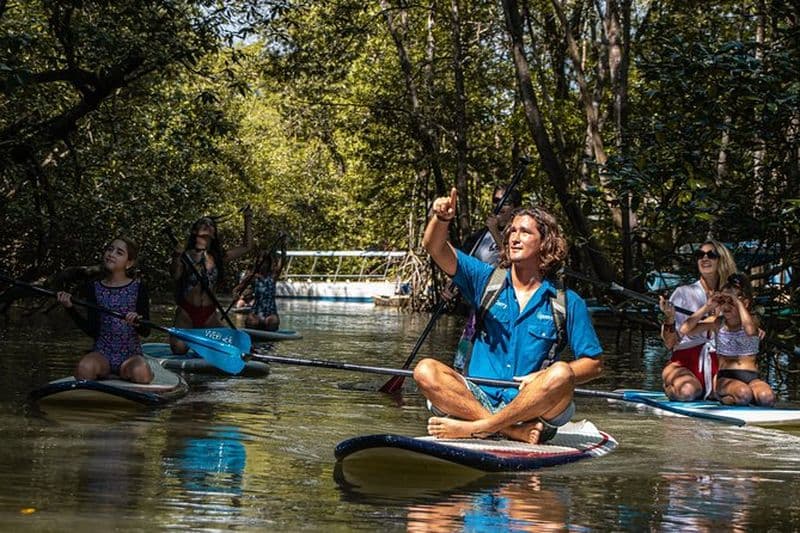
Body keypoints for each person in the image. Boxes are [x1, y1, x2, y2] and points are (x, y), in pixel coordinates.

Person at [414, 188, 603, 444]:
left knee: (561, 373)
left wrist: (543, 376)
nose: (514, 237)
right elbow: (435, 247)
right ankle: (507, 430)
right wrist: (441, 218)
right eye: (512, 231)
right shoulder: (484, 279)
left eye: (525, 232)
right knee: (425, 370)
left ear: (545, 243)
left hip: (533, 408)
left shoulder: (568, 302)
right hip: (476, 399)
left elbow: (594, 364)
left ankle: (482, 427)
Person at [56, 237, 153, 383]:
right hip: (102, 354)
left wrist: (137, 322)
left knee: (140, 372)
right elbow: (92, 330)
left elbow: (146, 332)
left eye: (119, 252)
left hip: (130, 355)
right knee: (84, 368)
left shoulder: (139, 287)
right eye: (110, 249)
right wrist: (70, 308)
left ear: (129, 263)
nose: (111, 254)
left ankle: (142, 372)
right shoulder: (93, 287)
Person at [452, 186, 522, 372]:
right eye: (496, 201)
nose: (499, 206)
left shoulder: (519, 236)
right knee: (463, 354)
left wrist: (494, 231)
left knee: (499, 351)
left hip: (507, 304)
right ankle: (460, 375)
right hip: (481, 303)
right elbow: (464, 263)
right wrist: (451, 286)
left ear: (515, 207)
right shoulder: (479, 237)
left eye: (505, 202)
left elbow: (513, 260)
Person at [679, 273, 775, 406]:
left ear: (745, 303)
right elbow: (685, 330)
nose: (726, 306)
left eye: (731, 302)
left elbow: (750, 331)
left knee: (767, 397)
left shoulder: (752, 321)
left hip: (752, 378)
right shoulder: (717, 322)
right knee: (744, 393)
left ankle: (746, 400)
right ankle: (726, 398)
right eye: (723, 301)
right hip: (726, 378)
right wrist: (707, 307)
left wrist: (738, 302)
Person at [659, 240, 737, 401]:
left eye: (711, 255)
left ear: (722, 260)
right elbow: (670, 343)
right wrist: (669, 319)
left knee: (741, 395)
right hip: (684, 361)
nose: (704, 258)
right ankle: (671, 387)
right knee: (688, 391)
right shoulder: (683, 293)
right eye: (700, 255)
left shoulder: (732, 296)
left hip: (720, 363)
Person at [170, 208, 253, 354]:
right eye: (203, 223)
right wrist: (176, 256)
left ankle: (203, 342)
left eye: (211, 225)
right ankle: (195, 340)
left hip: (209, 315)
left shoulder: (218, 257)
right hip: (186, 312)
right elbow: (176, 276)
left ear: (214, 234)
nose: (207, 226)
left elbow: (247, 247)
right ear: (195, 231)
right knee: (179, 349)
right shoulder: (185, 255)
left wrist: (247, 219)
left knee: (230, 349)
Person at [245, 239, 287, 332]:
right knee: (252, 322)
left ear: (268, 263)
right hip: (256, 312)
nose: (263, 265)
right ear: (257, 263)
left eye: (265, 262)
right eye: (260, 262)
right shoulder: (252, 276)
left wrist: (283, 247)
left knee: (272, 322)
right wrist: (236, 293)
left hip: (270, 312)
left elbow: (282, 261)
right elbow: (238, 289)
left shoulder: (273, 276)